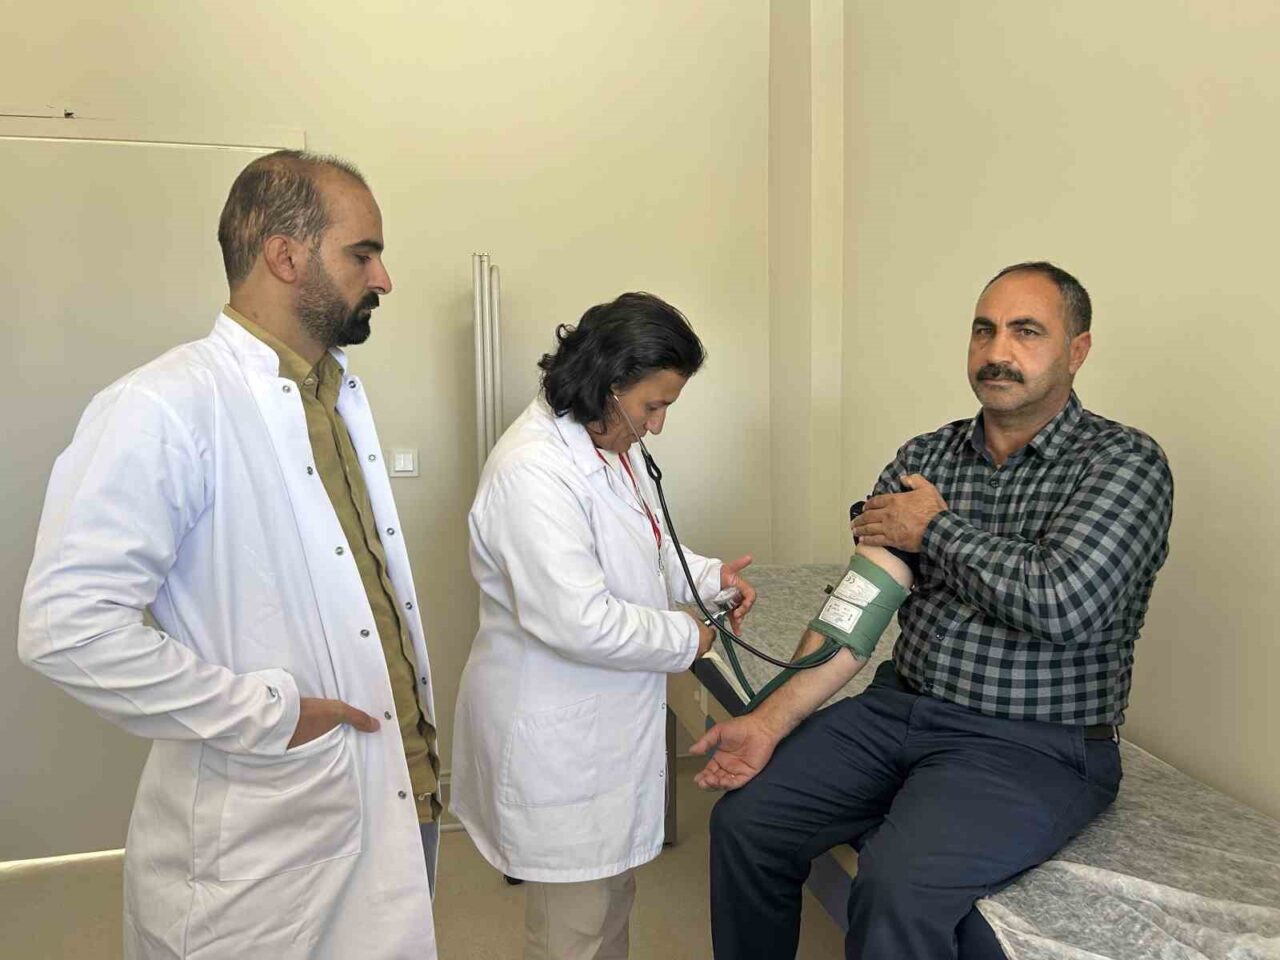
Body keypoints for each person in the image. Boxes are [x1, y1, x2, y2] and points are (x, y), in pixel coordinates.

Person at [18, 150, 440, 959]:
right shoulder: (163, 405)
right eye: (363, 254)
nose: (383, 278)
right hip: (267, 836)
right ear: (285, 256)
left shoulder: (333, 396)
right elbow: (66, 628)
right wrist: (270, 715)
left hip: (396, 793)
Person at [696, 262, 1175, 959]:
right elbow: (857, 612)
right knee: (747, 823)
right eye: (984, 330)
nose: (997, 351)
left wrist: (935, 530)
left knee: (897, 887)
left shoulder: (1123, 463)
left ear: (1077, 351)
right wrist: (767, 720)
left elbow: (1066, 603)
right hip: (898, 709)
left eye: (1026, 331)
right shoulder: (925, 458)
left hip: (1033, 743)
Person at [451, 292, 758, 960]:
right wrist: (692, 636)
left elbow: (645, 547)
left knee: (606, 908)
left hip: (603, 731)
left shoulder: (607, 443)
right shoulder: (532, 471)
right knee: (575, 932)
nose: (658, 426)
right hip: (559, 742)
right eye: (653, 406)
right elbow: (580, 621)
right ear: (608, 384)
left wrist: (710, 578)